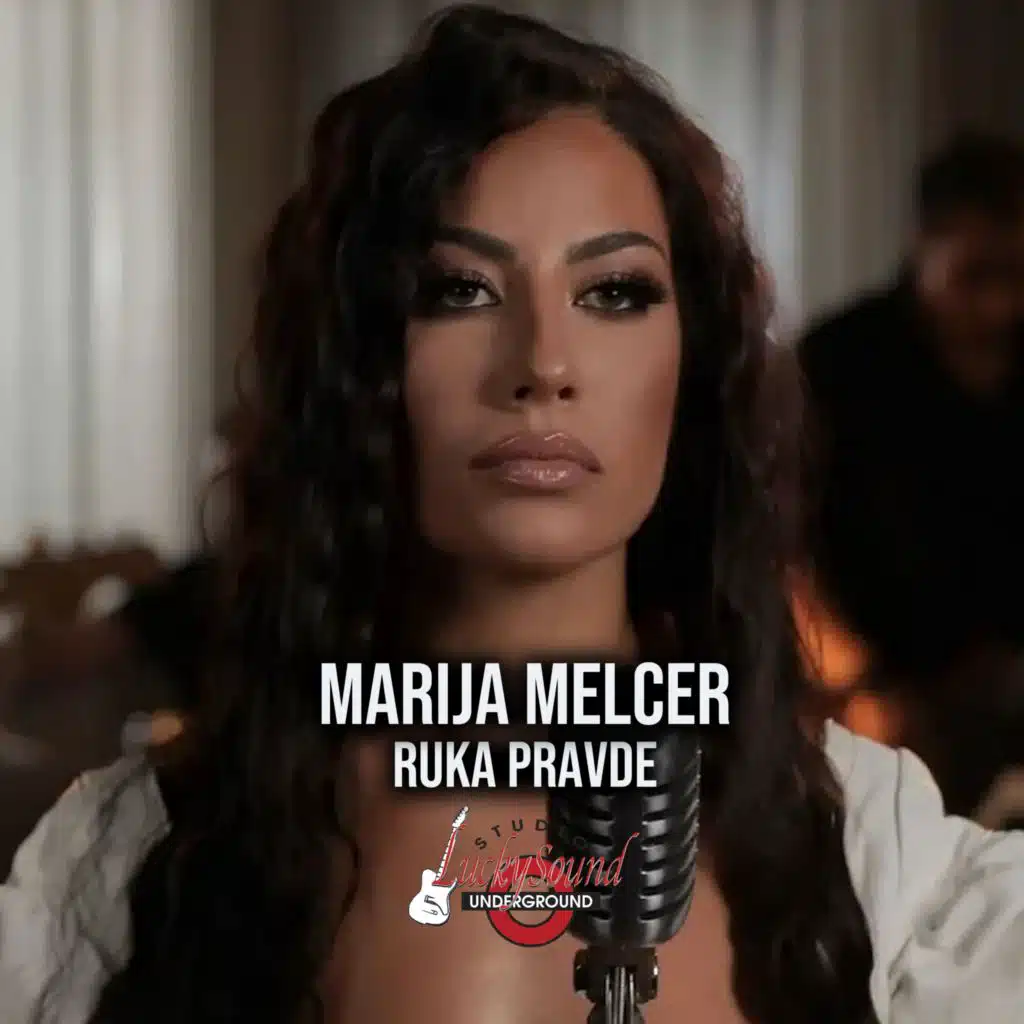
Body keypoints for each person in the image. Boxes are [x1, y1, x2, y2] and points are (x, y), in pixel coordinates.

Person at [2, 7, 1023, 1023]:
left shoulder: (878, 869)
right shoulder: (136, 872)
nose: (542, 363)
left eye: (613, 292)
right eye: (460, 289)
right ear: (363, 363)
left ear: (692, 364)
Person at [798, 132, 1024, 811]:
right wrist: (858, 682)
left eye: (1018, 277)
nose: (1002, 307)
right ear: (925, 244)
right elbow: (781, 548)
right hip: (873, 699)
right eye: (977, 276)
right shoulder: (836, 364)